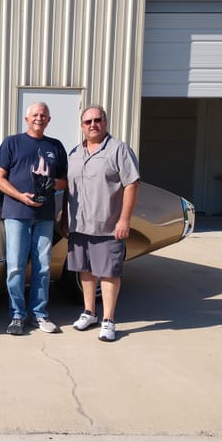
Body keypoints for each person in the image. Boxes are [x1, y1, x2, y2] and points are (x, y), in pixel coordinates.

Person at [60, 105, 140, 342]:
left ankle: (108, 320)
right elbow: (68, 189)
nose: (92, 125)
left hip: (107, 225)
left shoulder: (119, 150)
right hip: (79, 225)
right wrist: (65, 218)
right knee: (84, 270)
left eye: (97, 120)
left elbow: (132, 184)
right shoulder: (74, 153)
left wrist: (124, 219)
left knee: (108, 272)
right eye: (87, 122)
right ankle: (89, 312)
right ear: (82, 126)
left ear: (105, 122)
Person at [0, 102, 68, 335]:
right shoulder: (12, 143)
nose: (39, 118)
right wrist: (21, 197)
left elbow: (65, 182)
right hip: (16, 215)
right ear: (27, 119)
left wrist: (51, 184)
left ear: (48, 119)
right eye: (35, 114)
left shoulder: (55, 146)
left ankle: (40, 314)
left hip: (44, 216)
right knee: (15, 267)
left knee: (43, 267)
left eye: (43, 115)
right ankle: (17, 315)